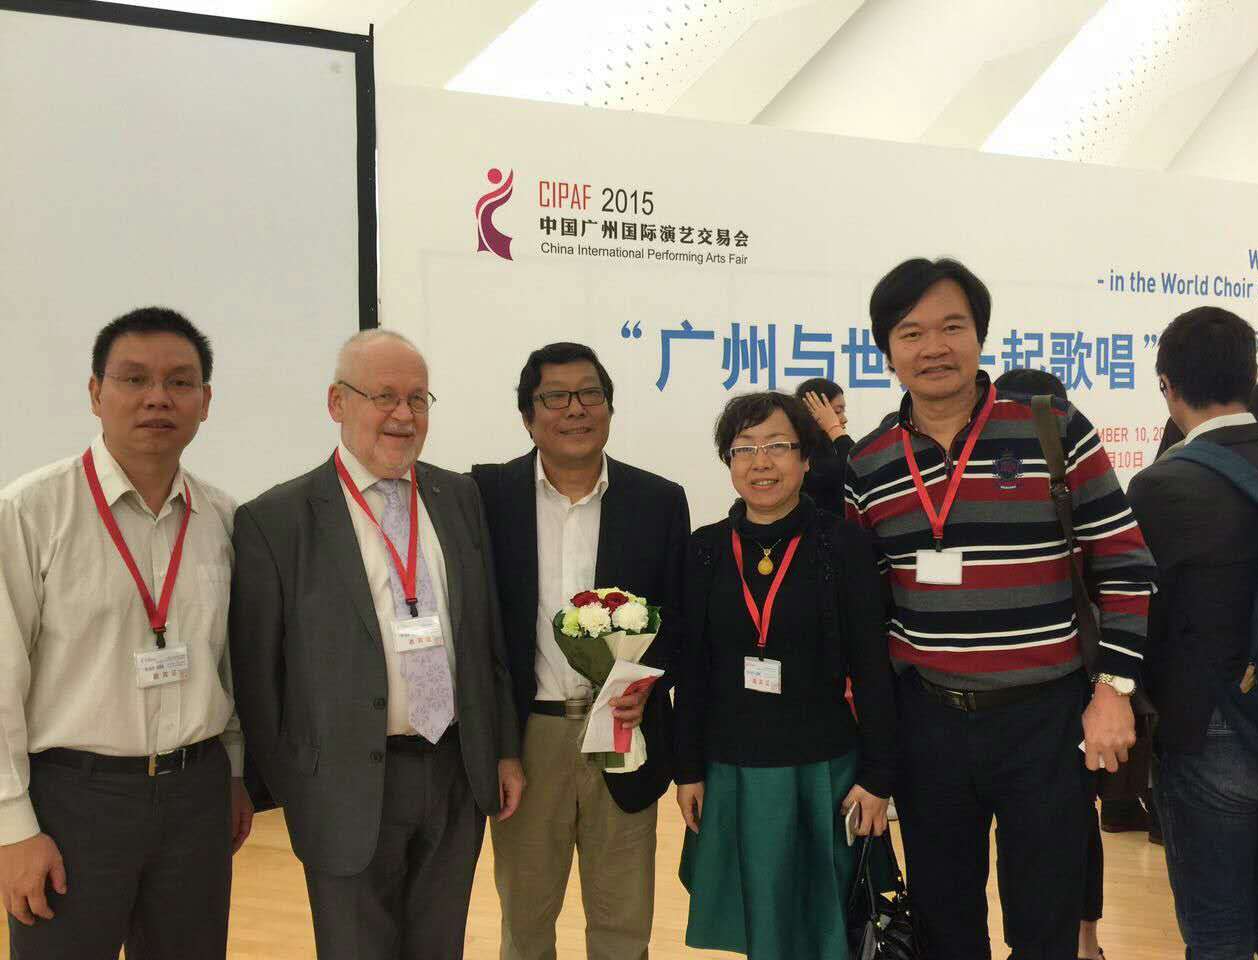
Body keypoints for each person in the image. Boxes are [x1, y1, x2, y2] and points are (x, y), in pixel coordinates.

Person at [845, 257, 1157, 959]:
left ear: (980, 336)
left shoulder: (1052, 430)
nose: (934, 347)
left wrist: (1113, 690)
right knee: (944, 923)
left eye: (952, 327)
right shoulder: (869, 465)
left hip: (1044, 721)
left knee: (1046, 924)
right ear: (887, 351)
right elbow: (866, 611)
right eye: (911, 333)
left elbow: (1125, 562)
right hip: (928, 723)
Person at [229, 329, 524, 960]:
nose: (403, 415)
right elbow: (258, 680)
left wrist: (501, 748)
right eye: (384, 396)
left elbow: (486, 636)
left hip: (454, 770)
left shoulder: (458, 496)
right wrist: (300, 786)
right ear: (337, 402)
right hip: (343, 785)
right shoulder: (276, 520)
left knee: (440, 945)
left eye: (418, 398)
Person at [0, 307, 252, 958]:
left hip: (196, 794)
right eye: (134, 379)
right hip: (74, 799)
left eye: (179, 382)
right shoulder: (29, 512)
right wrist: (12, 828)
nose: (157, 398)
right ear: (95, 393)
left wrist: (232, 776)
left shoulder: (223, 518)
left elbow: (229, 665)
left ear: (205, 402)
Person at [471, 341, 690, 960]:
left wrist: (647, 684)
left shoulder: (657, 500)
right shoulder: (486, 495)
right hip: (529, 741)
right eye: (555, 397)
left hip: (624, 733)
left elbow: (679, 621)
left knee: (623, 924)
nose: (575, 409)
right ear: (528, 416)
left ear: (610, 408)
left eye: (590, 394)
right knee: (525, 923)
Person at [673, 390, 897, 960]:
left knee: (826, 921)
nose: (761, 462)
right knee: (760, 918)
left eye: (777, 445)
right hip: (733, 767)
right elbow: (692, 670)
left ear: (806, 458)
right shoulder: (703, 550)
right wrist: (687, 770)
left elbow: (873, 668)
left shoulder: (842, 544)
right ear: (728, 461)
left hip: (824, 766)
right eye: (744, 448)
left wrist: (878, 778)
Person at [1127, 306, 1258, 959]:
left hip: (1211, 728)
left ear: (1168, 386)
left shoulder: (1162, 487)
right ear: (1251, 375)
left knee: (1217, 932)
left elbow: (1141, 622)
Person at [995, 367, 1111, 960]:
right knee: (1065, 829)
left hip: (1065, 690)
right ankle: (1082, 939)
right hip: (1035, 694)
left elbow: (1120, 568)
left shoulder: (1068, 462)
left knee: (1062, 833)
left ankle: (1077, 936)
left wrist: (1112, 689)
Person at [795, 376, 854, 515]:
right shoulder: (800, 452)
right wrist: (834, 427)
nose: (844, 419)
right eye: (837, 412)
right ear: (813, 411)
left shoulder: (833, 447)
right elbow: (858, 466)